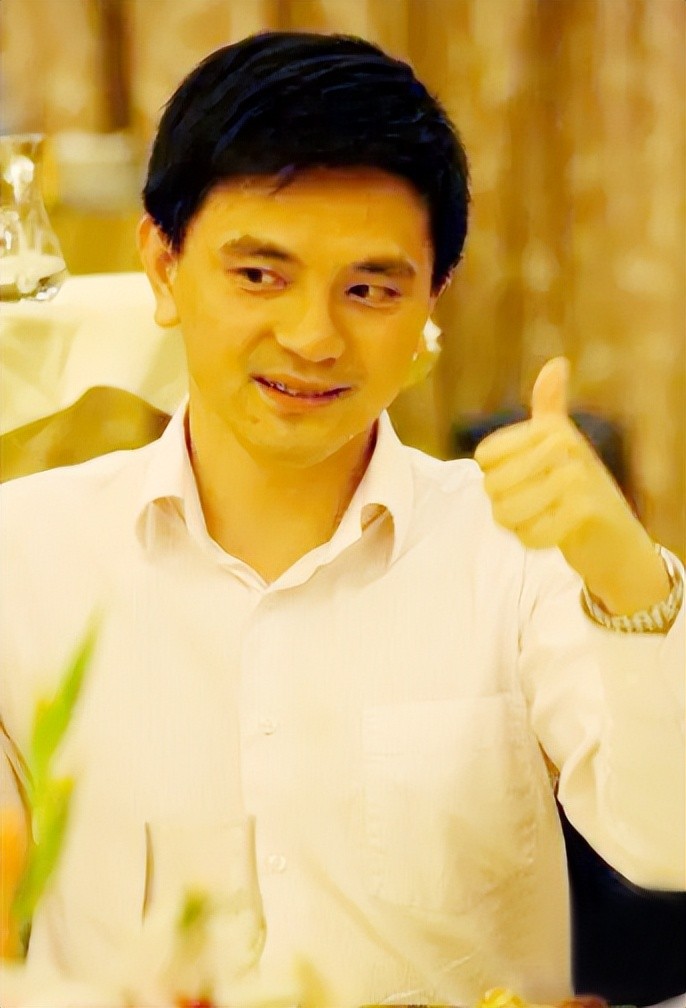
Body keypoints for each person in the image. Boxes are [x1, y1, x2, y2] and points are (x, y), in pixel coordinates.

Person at [0, 30, 683, 1008]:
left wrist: (626, 574)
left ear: (432, 301)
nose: (312, 336)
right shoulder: (25, 552)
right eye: (259, 275)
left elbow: (669, 842)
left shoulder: (516, 555)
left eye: (369, 289)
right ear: (161, 264)